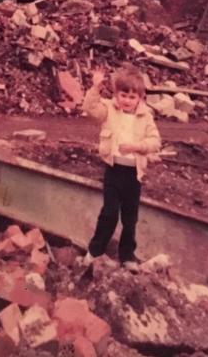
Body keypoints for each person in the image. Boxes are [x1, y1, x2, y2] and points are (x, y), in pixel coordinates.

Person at [82, 64, 161, 267]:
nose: (127, 100)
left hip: (133, 175)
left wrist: (136, 146)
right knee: (109, 213)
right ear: (116, 94)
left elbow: (155, 142)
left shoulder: (146, 116)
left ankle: (127, 256)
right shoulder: (108, 109)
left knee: (130, 218)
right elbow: (90, 109)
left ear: (140, 98)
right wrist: (95, 87)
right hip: (113, 171)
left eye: (132, 97)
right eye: (123, 95)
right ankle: (94, 252)